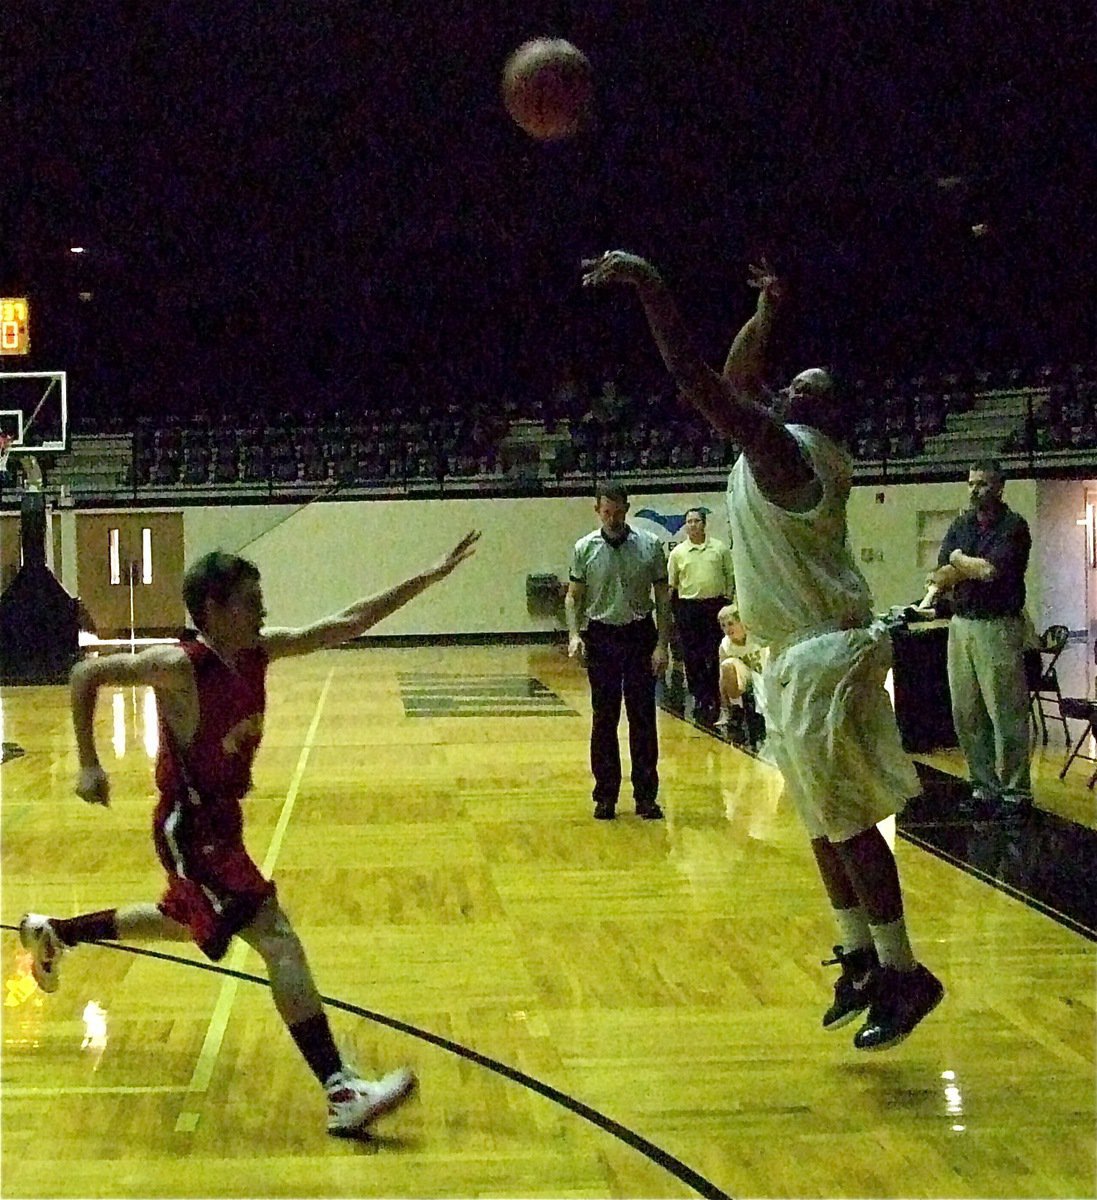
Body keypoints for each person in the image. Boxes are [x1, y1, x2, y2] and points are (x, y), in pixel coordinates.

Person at [581, 250, 942, 1051]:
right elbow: (743, 375)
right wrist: (770, 309)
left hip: (822, 653)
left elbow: (701, 383)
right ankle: (856, 956)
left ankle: (903, 970)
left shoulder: (791, 455)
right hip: (796, 655)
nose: (783, 387)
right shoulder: (777, 445)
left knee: (847, 824)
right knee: (819, 818)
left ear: (821, 412)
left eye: (801, 385)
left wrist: (652, 282)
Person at [18, 530, 480, 1135]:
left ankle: (56, 933)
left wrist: (429, 577)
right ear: (213, 611)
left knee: (184, 920)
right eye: (251, 602)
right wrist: (88, 762)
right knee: (276, 935)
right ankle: (341, 1091)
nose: (263, 612)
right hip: (190, 827)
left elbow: (347, 621)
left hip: (222, 825)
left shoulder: (260, 652)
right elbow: (86, 675)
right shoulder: (180, 667)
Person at [926, 460, 1032, 808]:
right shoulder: (962, 524)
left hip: (997, 626)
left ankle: (1016, 792)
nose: (974, 490)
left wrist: (959, 560)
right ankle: (983, 787)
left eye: (982, 484)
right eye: (971, 483)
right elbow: (941, 575)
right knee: (966, 712)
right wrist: (962, 563)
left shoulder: (1013, 526)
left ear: (999, 488)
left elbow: (989, 571)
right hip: (961, 624)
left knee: (1006, 713)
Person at [565, 482, 672, 820]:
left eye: (617, 511)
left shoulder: (651, 546)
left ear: (627, 508)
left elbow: (663, 599)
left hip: (640, 635)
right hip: (602, 637)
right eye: (605, 512)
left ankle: (646, 796)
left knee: (643, 719)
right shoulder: (584, 548)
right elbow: (573, 597)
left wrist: (661, 645)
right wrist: (574, 634)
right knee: (604, 718)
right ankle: (606, 795)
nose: (611, 518)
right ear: (597, 511)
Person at [667, 508, 735, 724]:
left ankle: (717, 695)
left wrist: (730, 604)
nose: (693, 525)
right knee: (692, 655)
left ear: (704, 524)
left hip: (715, 607)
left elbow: (730, 576)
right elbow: (672, 585)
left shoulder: (719, 548)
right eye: (689, 521)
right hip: (689, 608)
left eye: (697, 521)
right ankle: (699, 696)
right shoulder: (678, 553)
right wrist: (670, 613)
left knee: (716, 653)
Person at [716, 602, 766, 744]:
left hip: (765, 675)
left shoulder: (757, 635)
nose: (727, 629)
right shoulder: (725, 646)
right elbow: (722, 679)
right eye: (723, 626)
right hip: (746, 680)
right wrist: (724, 707)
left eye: (731, 623)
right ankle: (735, 710)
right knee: (726, 666)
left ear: (741, 622)